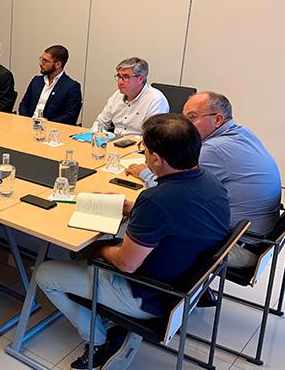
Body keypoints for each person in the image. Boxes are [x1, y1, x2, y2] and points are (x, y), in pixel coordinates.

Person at [36, 113, 229, 370]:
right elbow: (179, 212)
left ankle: (97, 339)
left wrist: (100, 249)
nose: (144, 157)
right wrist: (135, 207)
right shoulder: (211, 181)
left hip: (150, 296)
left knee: (45, 273)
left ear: (157, 160)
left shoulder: (157, 200)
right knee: (98, 247)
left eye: (145, 151)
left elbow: (127, 264)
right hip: (186, 285)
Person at [126, 92, 281, 268]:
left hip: (238, 244)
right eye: (184, 117)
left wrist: (145, 172)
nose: (184, 125)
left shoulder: (213, 149)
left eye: (192, 117)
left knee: (137, 227)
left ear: (218, 119)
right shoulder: (242, 133)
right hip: (262, 238)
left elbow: (168, 193)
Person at [91, 57, 168, 136]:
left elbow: (152, 137)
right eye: (119, 76)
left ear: (140, 79)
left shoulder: (156, 100)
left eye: (126, 77)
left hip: (138, 142)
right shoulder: (117, 95)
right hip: (114, 140)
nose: (120, 82)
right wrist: (96, 136)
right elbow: (100, 123)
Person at [18, 45, 82, 124]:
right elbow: (24, 104)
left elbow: (70, 116)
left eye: (45, 61)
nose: (41, 63)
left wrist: (45, 124)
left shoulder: (72, 87)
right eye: (41, 59)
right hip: (27, 125)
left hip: (51, 128)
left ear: (58, 64)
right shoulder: (36, 80)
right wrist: (26, 121)